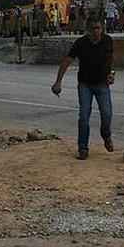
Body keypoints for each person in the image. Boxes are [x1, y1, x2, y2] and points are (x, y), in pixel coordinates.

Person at [51, 19, 115, 160]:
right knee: (84, 116)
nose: (96, 31)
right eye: (93, 28)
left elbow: (110, 59)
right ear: (88, 30)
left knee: (107, 114)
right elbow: (67, 61)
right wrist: (58, 81)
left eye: (98, 28)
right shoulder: (81, 43)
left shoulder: (107, 40)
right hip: (85, 84)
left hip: (102, 84)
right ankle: (83, 148)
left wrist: (111, 73)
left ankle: (106, 135)